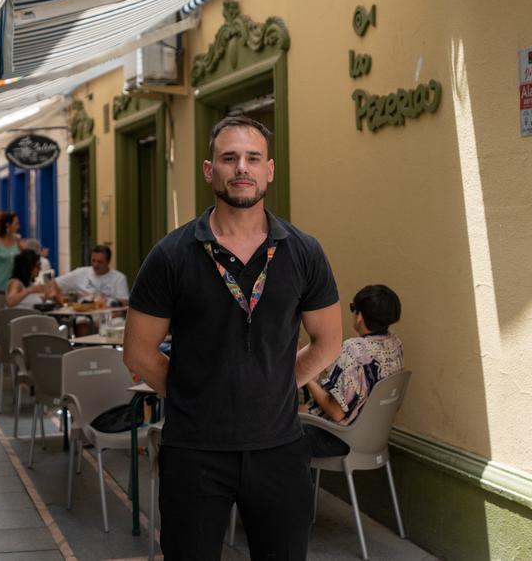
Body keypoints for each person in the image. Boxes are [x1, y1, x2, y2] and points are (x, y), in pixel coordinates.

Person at [123, 116, 344, 560]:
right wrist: (194, 393)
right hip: (194, 451)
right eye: (229, 158)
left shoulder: (304, 251)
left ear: (269, 170)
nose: (241, 167)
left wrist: (278, 383)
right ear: (210, 170)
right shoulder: (171, 255)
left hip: (279, 448)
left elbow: (328, 341)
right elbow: (138, 350)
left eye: (252, 158)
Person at [302, 284, 404, 457]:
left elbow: (335, 412)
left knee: (279, 423)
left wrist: (308, 378)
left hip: (342, 441)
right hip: (374, 437)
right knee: (299, 410)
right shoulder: (394, 344)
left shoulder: (353, 349)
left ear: (360, 317)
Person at [52, 244, 129, 304]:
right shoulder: (81, 273)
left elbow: (124, 304)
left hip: (110, 318)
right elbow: (53, 283)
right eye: (93, 261)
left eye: (100, 262)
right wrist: (62, 301)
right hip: (84, 317)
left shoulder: (119, 278)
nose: (95, 265)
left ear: (108, 262)